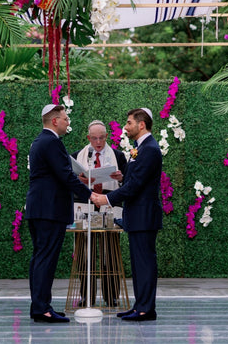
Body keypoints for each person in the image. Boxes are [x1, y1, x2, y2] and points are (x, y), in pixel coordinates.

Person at [91, 108, 162, 322]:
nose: (126, 126)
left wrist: (107, 199)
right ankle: (139, 306)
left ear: (141, 125)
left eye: (129, 122)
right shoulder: (140, 148)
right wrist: (123, 176)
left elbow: (137, 186)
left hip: (144, 216)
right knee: (139, 265)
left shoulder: (149, 149)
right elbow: (135, 180)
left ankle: (146, 309)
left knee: (144, 264)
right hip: (137, 216)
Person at [25, 104, 92, 323]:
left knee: (40, 258)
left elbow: (55, 174)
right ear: (54, 121)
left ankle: (40, 306)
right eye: (65, 119)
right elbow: (65, 175)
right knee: (45, 259)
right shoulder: (52, 143)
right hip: (49, 210)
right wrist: (89, 195)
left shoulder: (40, 141)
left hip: (40, 208)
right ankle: (42, 308)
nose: (68, 122)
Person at [71, 120, 127, 307]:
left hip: (109, 205)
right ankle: (86, 296)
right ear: (88, 138)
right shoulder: (77, 156)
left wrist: (121, 178)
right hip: (85, 205)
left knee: (110, 251)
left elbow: (129, 185)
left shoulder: (118, 156)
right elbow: (68, 184)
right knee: (85, 253)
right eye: (94, 138)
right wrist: (78, 181)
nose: (98, 142)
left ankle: (111, 296)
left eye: (102, 138)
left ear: (107, 136)